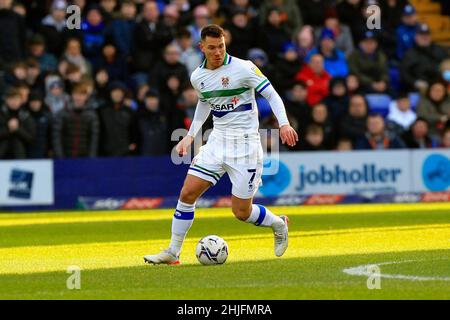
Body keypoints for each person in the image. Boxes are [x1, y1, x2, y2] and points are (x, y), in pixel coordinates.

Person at [144, 25, 298, 265]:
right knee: (187, 193)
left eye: (221, 46)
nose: (218, 52)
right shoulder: (198, 77)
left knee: (241, 213)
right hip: (217, 141)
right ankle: (173, 252)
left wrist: (284, 124)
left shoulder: (244, 67)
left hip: (246, 147)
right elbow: (205, 104)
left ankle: (278, 223)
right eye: (212, 48)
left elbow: (272, 95)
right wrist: (190, 136)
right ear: (202, 47)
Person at [52, 84, 99, 158]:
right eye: (76, 94)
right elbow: (57, 136)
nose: (79, 98)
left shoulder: (92, 115)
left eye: (82, 95)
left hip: (84, 158)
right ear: (72, 95)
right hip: (66, 157)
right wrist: (60, 156)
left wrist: (91, 157)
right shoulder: (63, 113)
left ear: (86, 97)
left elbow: (94, 139)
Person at [400, 23, 448, 92]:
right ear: (416, 37)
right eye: (421, 35)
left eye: (427, 34)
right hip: (419, 89)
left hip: (440, 87)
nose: (424, 37)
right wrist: (415, 82)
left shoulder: (440, 50)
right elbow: (403, 74)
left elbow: (447, 66)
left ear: (430, 36)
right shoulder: (409, 54)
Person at [0, 87, 36, 159]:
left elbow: (31, 138)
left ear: (21, 100)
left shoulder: (26, 116)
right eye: (11, 99)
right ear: (6, 100)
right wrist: (8, 130)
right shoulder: (1, 114)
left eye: (16, 99)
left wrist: (18, 129)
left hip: (21, 157)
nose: (14, 102)